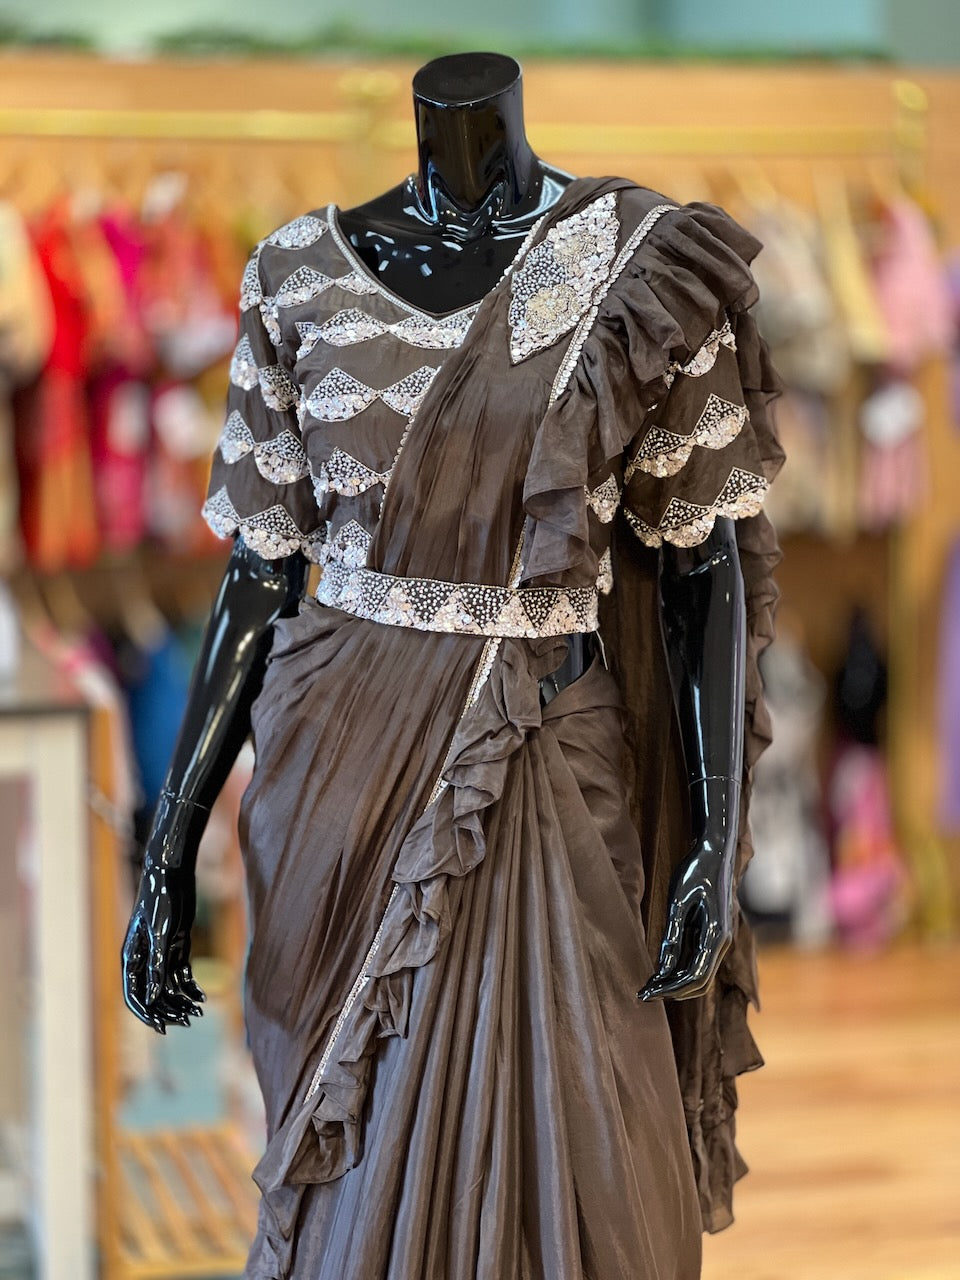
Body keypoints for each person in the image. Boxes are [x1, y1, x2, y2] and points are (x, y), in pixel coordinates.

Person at [122, 51, 783, 1279]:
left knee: (591, 1135)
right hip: (338, 797)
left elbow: (701, 564)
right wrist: (169, 840)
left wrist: (710, 832)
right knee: (358, 1152)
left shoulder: (634, 272)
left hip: (546, 765)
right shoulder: (295, 276)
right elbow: (260, 571)